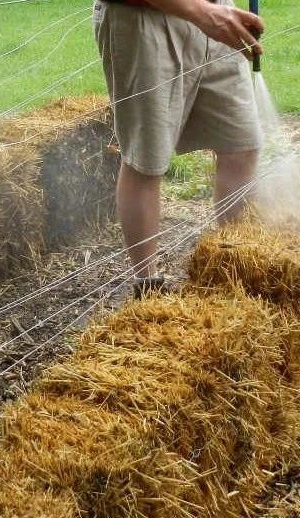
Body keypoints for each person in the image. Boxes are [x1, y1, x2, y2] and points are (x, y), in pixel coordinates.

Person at [93, 0, 265, 297]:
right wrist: (201, 12)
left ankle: (234, 268)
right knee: (146, 161)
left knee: (242, 146)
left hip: (220, 16)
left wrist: (212, 11)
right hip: (146, 18)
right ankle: (148, 288)